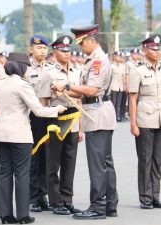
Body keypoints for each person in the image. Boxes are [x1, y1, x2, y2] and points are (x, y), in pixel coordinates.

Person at [53, 24, 119, 219]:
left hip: (97, 113)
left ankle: (98, 206)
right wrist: (65, 89)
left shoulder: (98, 61)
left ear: (90, 40)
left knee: (97, 163)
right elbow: (83, 89)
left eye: (81, 43)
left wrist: (66, 84)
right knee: (105, 162)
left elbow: (91, 90)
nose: (80, 48)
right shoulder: (93, 59)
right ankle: (110, 204)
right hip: (98, 111)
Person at [0, 52, 66, 224]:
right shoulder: (22, 85)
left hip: (1, 133)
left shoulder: (1, 83)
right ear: (22, 67)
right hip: (19, 134)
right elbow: (38, 110)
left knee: (5, 172)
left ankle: (5, 214)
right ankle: (22, 215)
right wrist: (57, 109)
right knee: (21, 174)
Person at [128, 34, 161, 210]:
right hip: (144, 119)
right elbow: (132, 98)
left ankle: (155, 196)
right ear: (145, 50)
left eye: (159, 49)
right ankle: (145, 197)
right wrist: (133, 123)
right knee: (145, 159)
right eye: (154, 49)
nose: (158, 52)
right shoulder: (137, 71)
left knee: (157, 160)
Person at [45, 35, 82, 215]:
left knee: (70, 162)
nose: (66, 54)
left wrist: (81, 128)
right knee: (53, 163)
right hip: (55, 121)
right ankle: (55, 201)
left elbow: (80, 101)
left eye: (68, 50)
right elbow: (43, 102)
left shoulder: (77, 71)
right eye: (62, 50)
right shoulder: (49, 73)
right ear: (54, 52)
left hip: (73, 121)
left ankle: (67, 198)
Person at [26, 34, 53, 213]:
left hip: (49, 116)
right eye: (38, 48)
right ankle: (32, 197)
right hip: (31, 117)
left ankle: (43, 194)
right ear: (30, 49)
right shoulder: (25, 69)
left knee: (46, 157)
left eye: (44, 48)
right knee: (33, 158)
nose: (42, 51)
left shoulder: (51, 68)